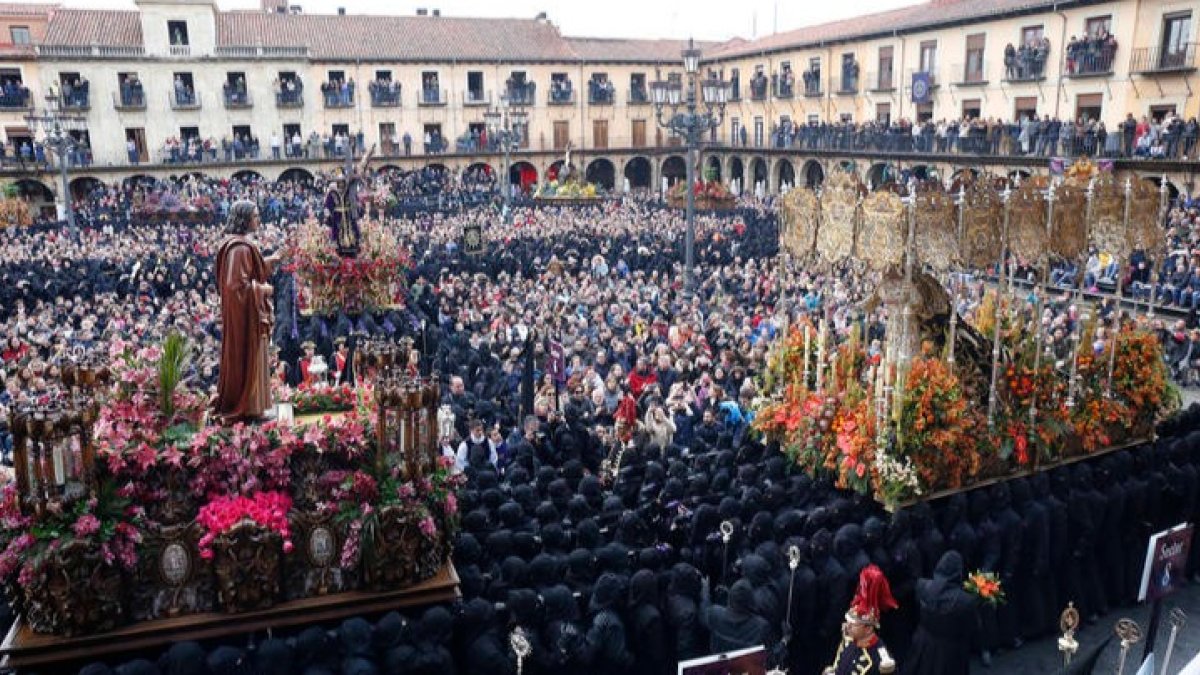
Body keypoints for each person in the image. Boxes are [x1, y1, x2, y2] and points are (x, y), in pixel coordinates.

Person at [214, 200, 280, 421]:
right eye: (255, 215)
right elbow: (236, 287)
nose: (259, 219)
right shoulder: (240, 248)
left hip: (247, 317)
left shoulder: (241, 246)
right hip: (246, 320)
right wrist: (264, 289)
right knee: (249, 360)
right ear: (244, 219)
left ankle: (256, 407)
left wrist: (271, 261)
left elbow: (250, 271)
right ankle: (250, 408)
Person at [901, 551, 978, 675]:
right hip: (950, 651)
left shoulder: (922, 586)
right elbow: (972, 627)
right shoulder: (965, 600)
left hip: (923, 644)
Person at [824, 564, 898, 675]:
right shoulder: (849, 640)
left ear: (868, 628)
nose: (847, 626)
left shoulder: (880, 660)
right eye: (848, 622)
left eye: (853, 624)